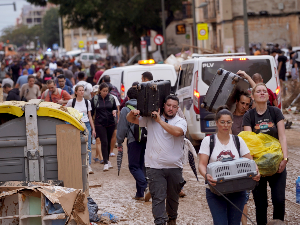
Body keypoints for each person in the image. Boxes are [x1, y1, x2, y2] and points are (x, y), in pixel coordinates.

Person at [127, 95, 187, 225]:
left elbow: (177, 132)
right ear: (164, 105)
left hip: (175, 167)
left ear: (177, 108)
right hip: (154, 167)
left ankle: (172, 220)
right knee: (158, 198)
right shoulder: (150, 118)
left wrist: (160, 121)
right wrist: (133, 113)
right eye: (168, 105)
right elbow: (131, 119)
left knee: (173, 200)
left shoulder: (180, 121)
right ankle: (159, 222)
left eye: (174, 106)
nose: (171, 108)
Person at [198, 106, 260, 225]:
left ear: (232, 123)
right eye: (222, 122)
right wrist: (206, 175)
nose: (225, 125)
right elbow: (202, 164)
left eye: (228, 122)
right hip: (215, 190)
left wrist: (257, 172)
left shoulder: (238, 141)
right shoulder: (208, 141)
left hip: (238, 189)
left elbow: (251, 162)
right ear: (216, 123)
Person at [243, 83, 288, 225]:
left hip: (277, 164)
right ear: (253, 96)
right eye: (258, 91)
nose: (262, 93)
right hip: (258, 167)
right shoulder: (249, 115)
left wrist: (285, 158)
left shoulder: (275, 112)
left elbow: (282, 137)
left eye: (264, 91)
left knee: (279, 200)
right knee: (261, 204)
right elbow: (249, 142)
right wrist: (253, 166)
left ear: (268, 96)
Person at [117, 87, 148, 200]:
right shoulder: (143, 107)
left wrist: (119, 141)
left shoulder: (126, 109)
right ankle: (140, 194)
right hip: (146, 140)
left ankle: (146, 186)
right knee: (141, 166)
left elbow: (121, 128)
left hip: (133, 141)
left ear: (128, 98)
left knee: (133, 166)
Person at [66, 85, 96, 174]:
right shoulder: (72, 102)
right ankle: (77, 164)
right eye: (80, 90)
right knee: (75, 144)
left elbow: (90, 116)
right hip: (76, 124)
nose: (82, 92)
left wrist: (93, 129)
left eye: (83, 90)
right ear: (76, 92)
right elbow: (67, 111)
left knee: (88, 146)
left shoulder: (87, 102)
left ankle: (88, 165)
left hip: (86, 124)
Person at [91, 83, 117, 171]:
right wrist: (92, 126)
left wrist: (114, 111)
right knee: (104, 142)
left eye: (107, 91)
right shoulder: (95, 99)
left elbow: (115, 108)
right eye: (104, 91)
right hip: (99, 123)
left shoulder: (111, 98)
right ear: (100, 91)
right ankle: (105, 163)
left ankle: (107, 161)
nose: (105, 93)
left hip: (110, 123)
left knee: (109, 142)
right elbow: (91, 112)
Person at [91, 85, 104, 164]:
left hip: (103, 122)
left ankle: (96, 156)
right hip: (96, 122)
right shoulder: (92, 101)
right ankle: (102, 158)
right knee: (98, 140)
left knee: (100, 141)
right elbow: (91, 114)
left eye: (97, 92)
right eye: (95, 92)